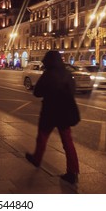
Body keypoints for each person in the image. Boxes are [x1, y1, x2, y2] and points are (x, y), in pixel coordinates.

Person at [25, 50, 80, 184]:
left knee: (42, 137)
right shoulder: (67, 74)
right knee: (68, 142)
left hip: (49, 111)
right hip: (65, 112)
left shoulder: (47, 74)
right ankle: (72, 172)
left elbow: (37, 92)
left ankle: (37, 159)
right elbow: (73, 90)